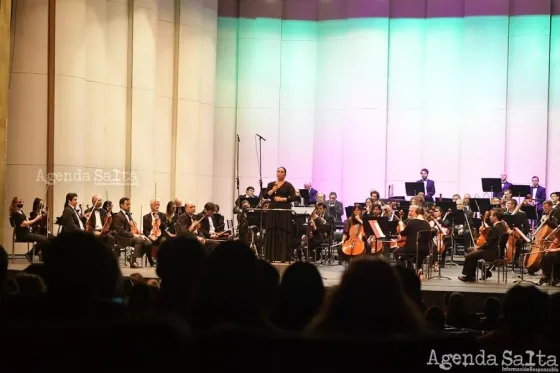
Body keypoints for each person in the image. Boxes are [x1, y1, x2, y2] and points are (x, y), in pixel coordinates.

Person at [459, 208, 508, 282]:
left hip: (492, 252)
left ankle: (469, 276)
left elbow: (488, 244)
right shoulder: (503, 227)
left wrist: (478, 247)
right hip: (498, 251)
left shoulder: (495, 228)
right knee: (470, 250)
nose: (490, 217)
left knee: (469, 255)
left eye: (491, 215)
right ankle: (484, 272)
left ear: (495, 217)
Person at [264, 167, 297, 262]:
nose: (279, 173)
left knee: (283, 230)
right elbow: (265, 195)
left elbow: (294, 197)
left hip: (284, 210)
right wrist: (272, 190)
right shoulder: (271, 184)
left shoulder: (288, 185)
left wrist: (283, 199)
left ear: (285, 174)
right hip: (273, 209)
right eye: (278, 171)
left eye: (282, 172)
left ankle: (283, 256)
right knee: (272, 230)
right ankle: (271, 257)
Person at [393, 205, 432, 278]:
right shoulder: (427, 223)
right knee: (410, 255)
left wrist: (401, 225)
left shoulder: (412, 222)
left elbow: (403, 233)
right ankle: (418, 270)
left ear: (416, 213)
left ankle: (401, 272)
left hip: (412, 248)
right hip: (425, 249)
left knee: (396, 252)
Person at [9, 197, 50, 262]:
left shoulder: (21, 212)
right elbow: (24, 224)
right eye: (19, 202)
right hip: (23, 235)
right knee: (45, 239)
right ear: (15, 204)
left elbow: (28, 221)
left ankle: (34, 255)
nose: (21, 203)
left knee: (45, 238)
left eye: (22, 202)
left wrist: (40, 217)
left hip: (27, 233)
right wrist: (36, 218)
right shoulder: (15, 214)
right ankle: (30, 254)